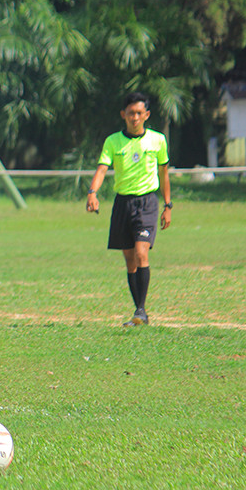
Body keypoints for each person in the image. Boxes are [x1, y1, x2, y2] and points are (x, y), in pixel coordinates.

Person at [86, 92, 172, 326]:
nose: (135, 117)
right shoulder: (113, 141)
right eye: (130, 113)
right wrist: (92, 192)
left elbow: (164, 173)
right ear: (123, 115)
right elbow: (102, 169)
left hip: (147, 202)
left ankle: (141, 311)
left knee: (142, 253)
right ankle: (138, 310)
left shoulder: (158, 140)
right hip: (123, 203)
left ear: (147, 115)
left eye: (139, 113)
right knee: (130, 260)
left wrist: (168, 205)